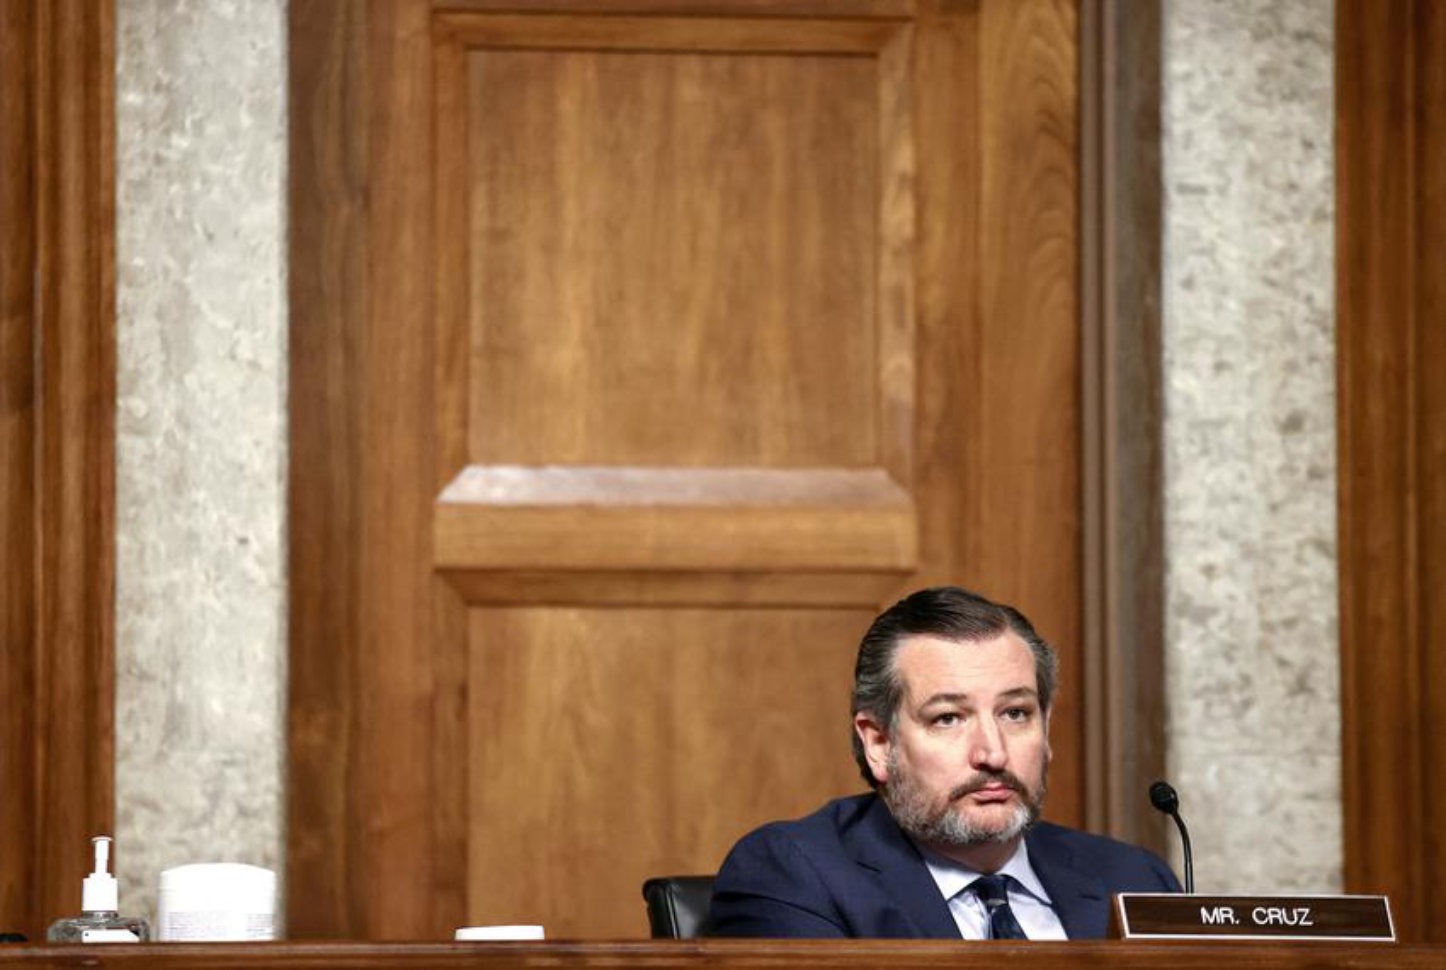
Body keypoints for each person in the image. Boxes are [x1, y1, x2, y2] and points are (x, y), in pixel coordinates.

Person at [709, 585, 1180, 939]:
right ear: (879, 742)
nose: (993, 754)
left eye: (1016, 714)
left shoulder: (1134, 879)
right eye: (949, 718)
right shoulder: (796, 876)